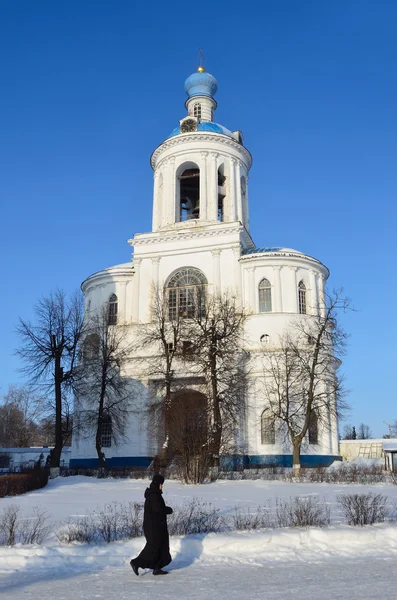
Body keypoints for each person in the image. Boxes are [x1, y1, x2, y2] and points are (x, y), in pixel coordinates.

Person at [130, 473, 173, 576]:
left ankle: (157, 568)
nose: (162, 486)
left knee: (161, 547)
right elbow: (158, 509)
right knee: (153, 547)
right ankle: (136, 562)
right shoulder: (154, 495)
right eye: (161, 484)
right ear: (157, 484)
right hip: (154, 527)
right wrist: (168, 509)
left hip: (156, 526)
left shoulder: (154, 494)